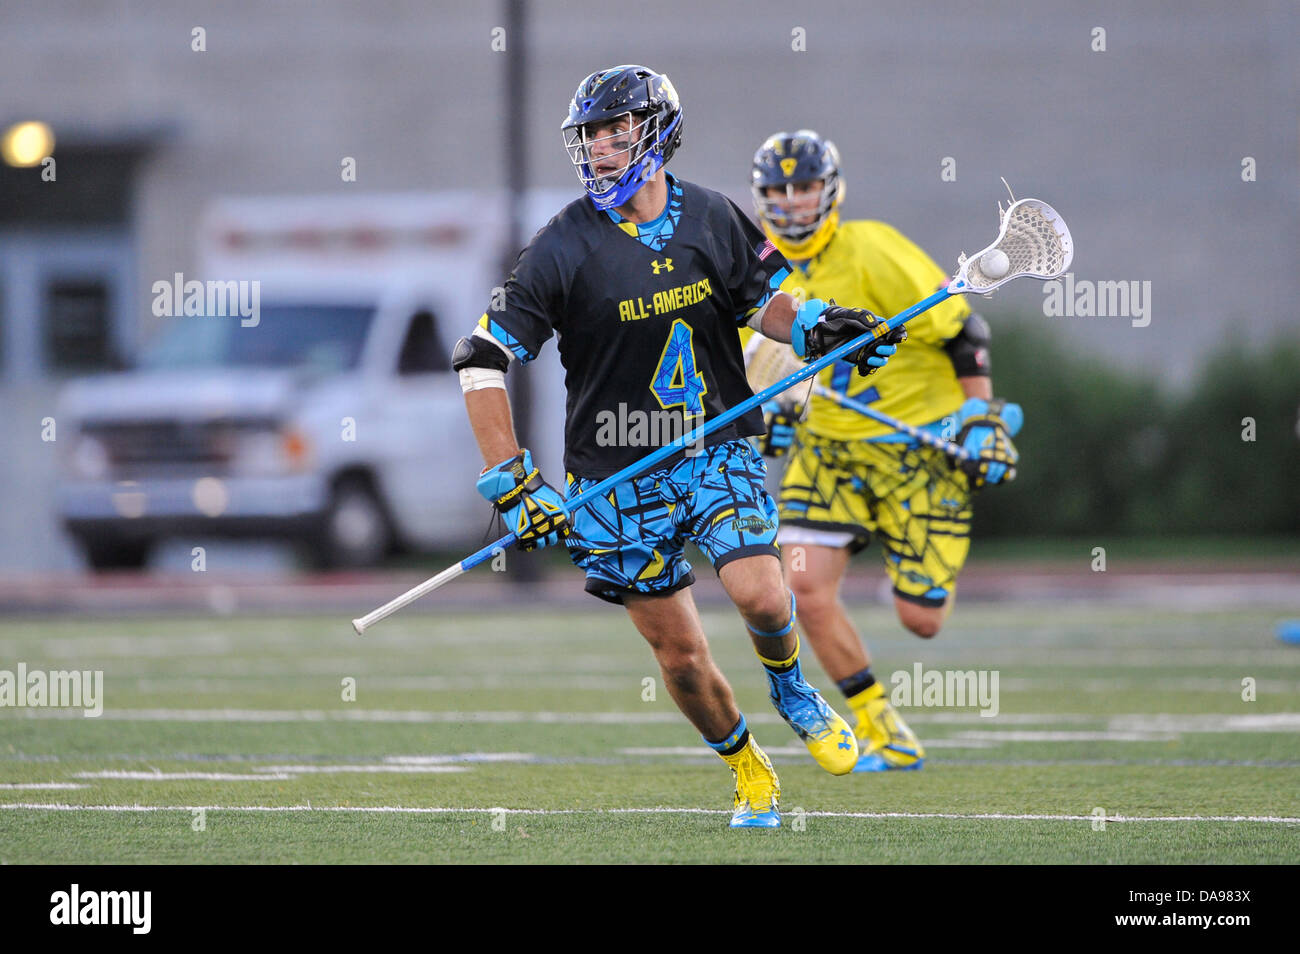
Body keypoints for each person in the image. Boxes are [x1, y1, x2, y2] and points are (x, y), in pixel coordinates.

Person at [452, 68, 904, 827]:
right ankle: (748, 767)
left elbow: (765, 304)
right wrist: (510, 477)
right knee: (683, 660)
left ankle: (793, 687)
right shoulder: (562, 246)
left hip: (712, 442)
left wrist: (822, 330)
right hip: (615, 472)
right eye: (590, 135)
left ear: (656, 132)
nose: (599, 148)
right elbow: (481, 359)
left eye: (615, 129)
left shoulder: (713, 217)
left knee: (762, 592)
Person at [748, 129, 1022, 772]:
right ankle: (884, 731)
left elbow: (965, 331)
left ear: (831, 190)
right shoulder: (753, 269)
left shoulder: (873, 248)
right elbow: (769, 370)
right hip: (830, 451)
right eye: (778, 191)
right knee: (801, 590)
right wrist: (779, 418)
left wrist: (980, 416)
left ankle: (917, 555)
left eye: (804, 187)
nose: (792, 203)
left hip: (916, 452)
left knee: (920, 620)